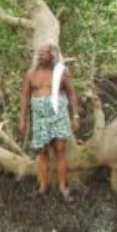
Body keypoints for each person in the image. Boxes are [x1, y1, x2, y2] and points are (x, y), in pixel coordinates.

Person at [18, 43, 79, 201]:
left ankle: (63, 188)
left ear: (52, 55)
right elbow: (25, 96)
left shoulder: (61, 72)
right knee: (42, 152)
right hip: (39, 118)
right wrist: (22, 118)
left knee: (60, 150)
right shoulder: (31, 73)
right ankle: (42, 188)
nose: (40, 56)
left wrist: (75, 116)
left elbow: (71, 94)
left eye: (44, 53)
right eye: (39, 53)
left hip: (57, 115)